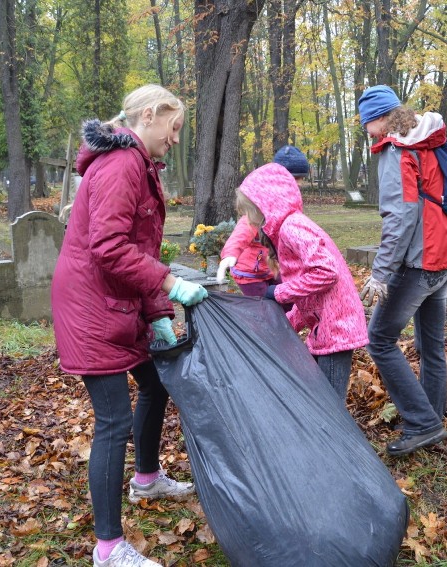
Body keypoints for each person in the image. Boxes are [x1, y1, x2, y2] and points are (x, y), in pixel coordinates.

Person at [51, 84, 208, 567]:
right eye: (174, 127)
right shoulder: (121, 165)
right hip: (92, 306)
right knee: (113, 420)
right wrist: (171, 285)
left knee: (156, 386)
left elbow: (136, 251)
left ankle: (146, 479)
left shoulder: (140, 165)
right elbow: (110, 249)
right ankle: (108, 548)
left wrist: (159, 311)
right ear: (148, 116)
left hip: (120, 301)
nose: (176, 139)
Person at [357, 85, 447, 456]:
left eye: (366, 123)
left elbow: (400, 216)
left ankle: (421, 422)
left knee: (379, 339)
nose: (367, 132)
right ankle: (431, 418)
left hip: (420, 262)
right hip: (446, 257)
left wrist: (381, 272)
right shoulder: (428, 141)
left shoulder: (397, 150)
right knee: (431, 346)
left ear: (379, 119)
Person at [235, 163, 368, 401]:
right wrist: (284, 324)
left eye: (250, 209)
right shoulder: (287, 228)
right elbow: (307, 290)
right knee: (316, 396)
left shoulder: (292, 228)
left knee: (329, 404)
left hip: (336, 328)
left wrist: (278, 293)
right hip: (324, 326)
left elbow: (326, 272)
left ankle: (332, 438)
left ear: (265, 203)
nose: (250, 218)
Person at [216, 145, 310, 296]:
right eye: (294, 178)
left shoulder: (288, 209)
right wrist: (229, 255)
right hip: (251, 274)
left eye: (301, 178)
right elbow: (240, 235)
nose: (298, 184)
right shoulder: (258, 213)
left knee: (287, 298)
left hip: (273, 268)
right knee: (263, 307)